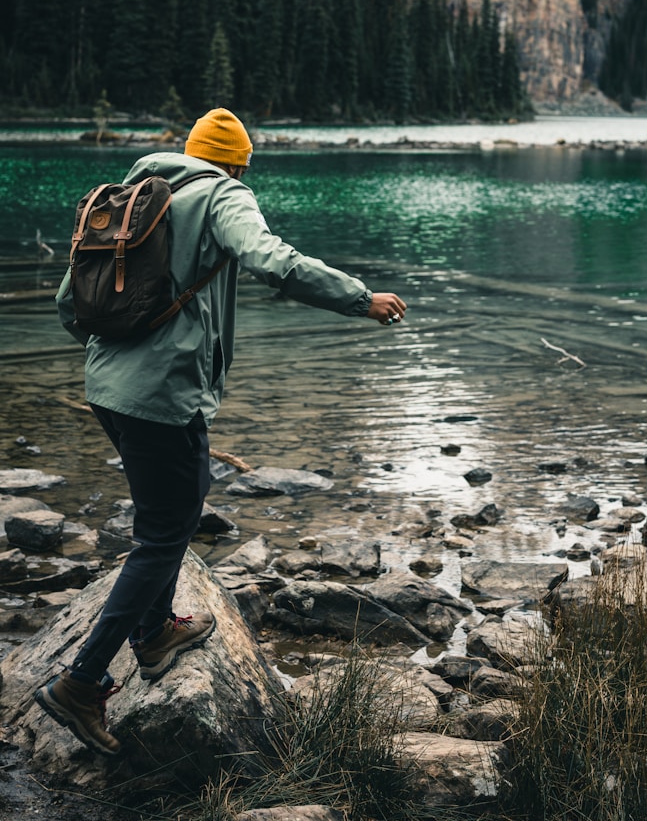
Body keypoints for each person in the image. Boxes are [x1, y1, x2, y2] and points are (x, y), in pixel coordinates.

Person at [36, 107, 406, 756]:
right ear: (237, 162)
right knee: (163, 533)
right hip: (161, 394)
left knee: (180, 499)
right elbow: (273, 261)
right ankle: (81, 681)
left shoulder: (130, 195)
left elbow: (71, 302)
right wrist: (358, 298)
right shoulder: (222, 193)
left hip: (109, 389)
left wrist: (115, 359)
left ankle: (154, 634)